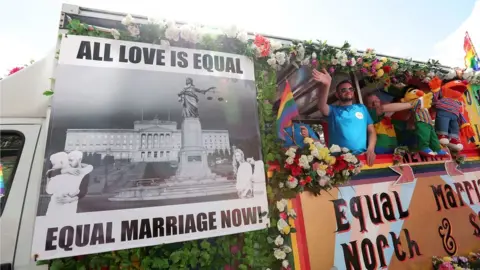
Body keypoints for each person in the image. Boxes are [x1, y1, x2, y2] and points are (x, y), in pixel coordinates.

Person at [313, 69, 376, 166]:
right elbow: (321, 106)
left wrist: (371, 149)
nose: (348, 91)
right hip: (338, 161)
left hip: (362, 158)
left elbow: (371, 131)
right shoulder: (333, 110)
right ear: (337, 95)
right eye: (343, 90)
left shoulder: (362, 108)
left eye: (351, 89)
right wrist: (327, 85)